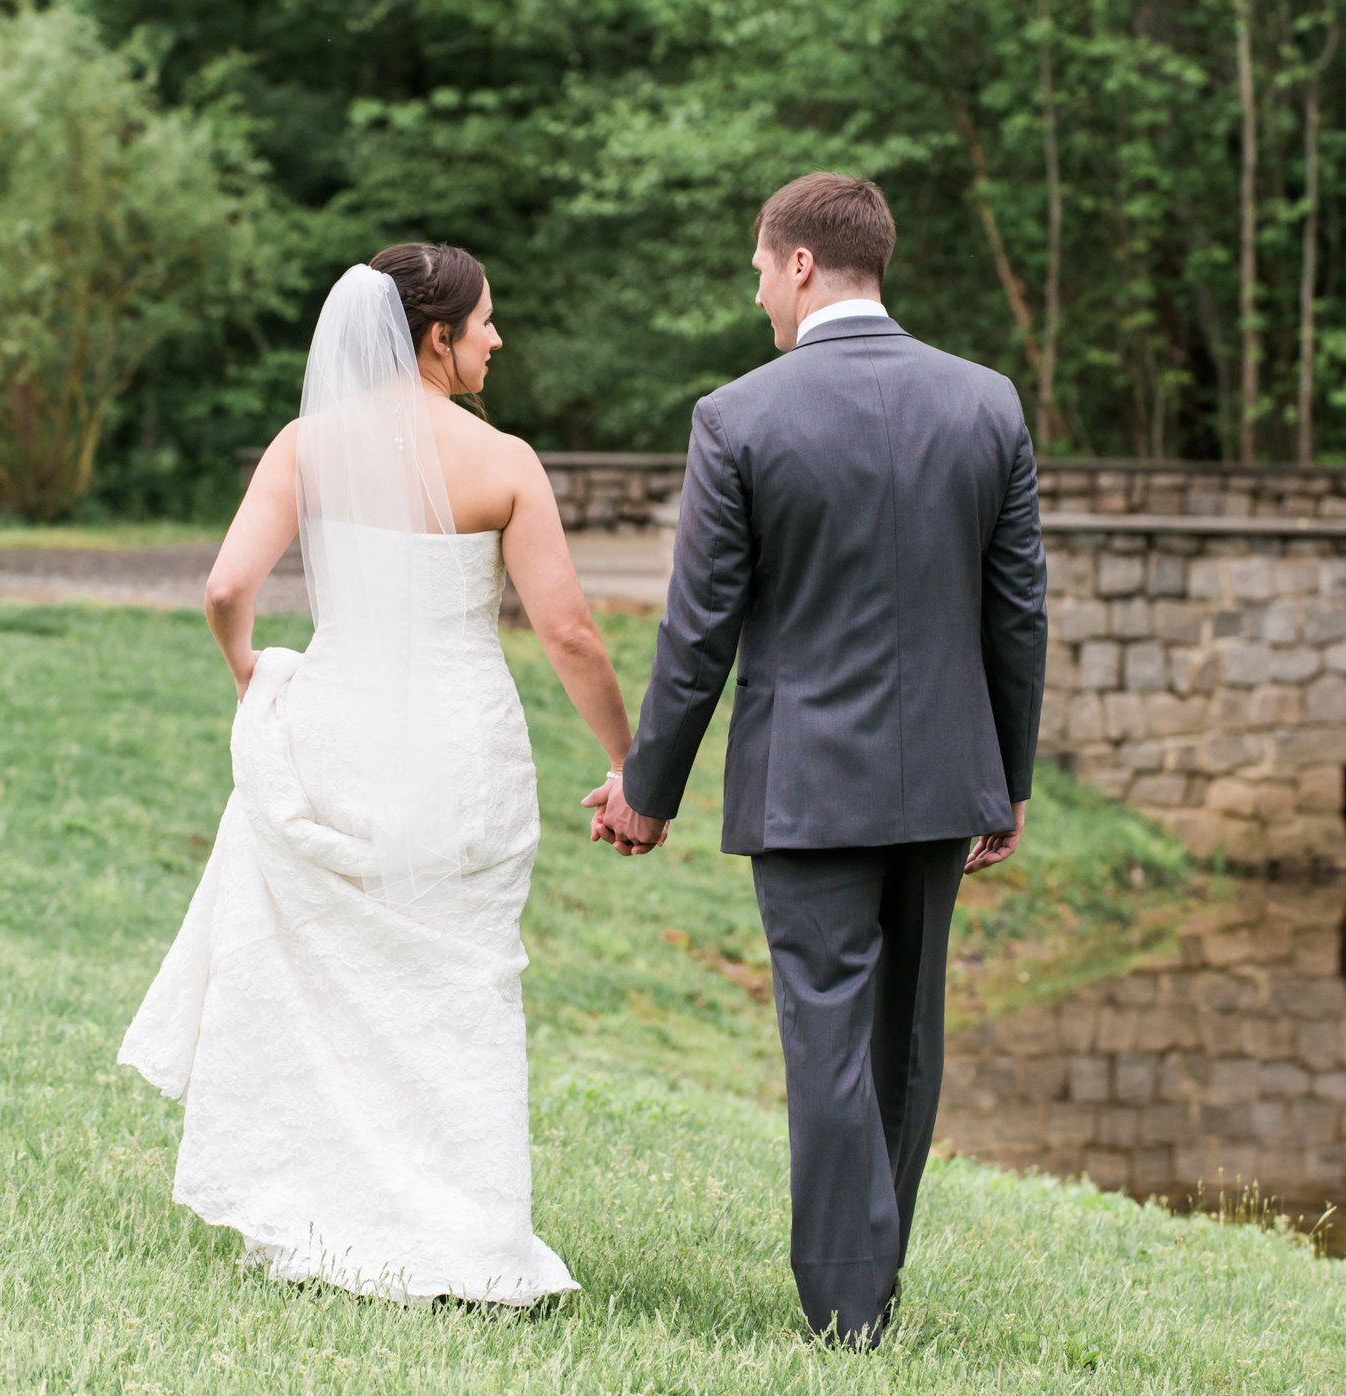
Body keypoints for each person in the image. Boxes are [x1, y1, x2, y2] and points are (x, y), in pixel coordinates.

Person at [120, 243, 635, 1307]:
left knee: (335, 982)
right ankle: (473, 1235)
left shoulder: (308, 446)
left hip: (336, 733)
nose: (497, 338)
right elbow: (572, 635)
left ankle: (328, 1216)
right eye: (484, 322)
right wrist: (632, 763)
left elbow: (226, 585)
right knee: (462, 980)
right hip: (459, 747)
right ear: (435, 337)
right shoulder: (503, 463)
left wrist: (249, 672)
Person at [588, 172, 1049, 1346]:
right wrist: (1011, 776)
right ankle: (869, 1289)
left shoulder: (739, 416)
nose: (756, 297)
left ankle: (848, 1306)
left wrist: (647, 793)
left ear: (799, 264)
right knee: (905, 1037)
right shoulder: (986, 402)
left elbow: (700, 629)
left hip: (806, 785)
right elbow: (1017, 613)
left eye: (757, 270)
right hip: (948, 775)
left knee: (829, 1032)